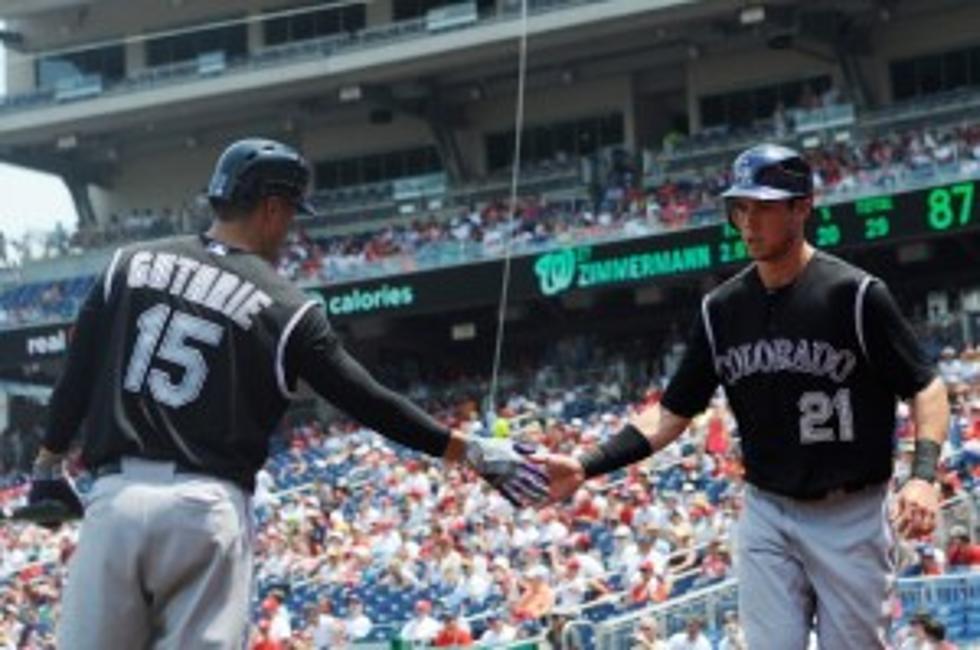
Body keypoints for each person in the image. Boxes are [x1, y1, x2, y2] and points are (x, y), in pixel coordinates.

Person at [25, 138, 548, 649]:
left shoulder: (128, 263)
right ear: (272, 208)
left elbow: (75, 377)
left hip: (115, 500)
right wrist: (472, 450)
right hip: (204, 508)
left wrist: (48, 467)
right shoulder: (286, 306)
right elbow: (370, 401)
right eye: (292, 213)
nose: (292, 229)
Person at [535, 143, 950, 649]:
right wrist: (586, 464)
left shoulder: (855, 296)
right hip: (768, 512)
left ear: (802, 207)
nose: (749, 223)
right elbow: (671, 413)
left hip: (852, 512)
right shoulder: (722, 309)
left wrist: (924, 475)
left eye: (764, 208)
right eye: (740, 208)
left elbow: (926, 388)